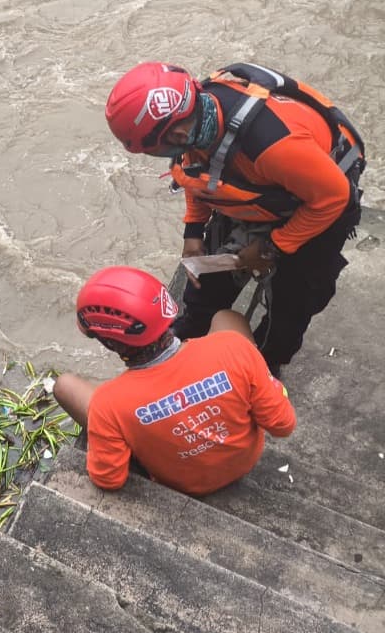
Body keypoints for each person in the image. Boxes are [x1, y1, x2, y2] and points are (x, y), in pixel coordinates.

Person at [104, 62, 366, 377]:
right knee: (208, 276)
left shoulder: (273, 146)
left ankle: (269, 359)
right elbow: (193, 171)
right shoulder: (197, 119)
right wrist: (194, 231)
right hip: (261, 188)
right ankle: (192, 330)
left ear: (177, 133)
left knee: (293, 298)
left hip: (317, 198)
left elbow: (334, 198)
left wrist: (272, 247)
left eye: (153, 151)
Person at [52, 266, 296, 496]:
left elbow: (109, 479)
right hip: (242, 462)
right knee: (228, 318)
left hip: (183, 482)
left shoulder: (109, 404)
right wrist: (255, 383)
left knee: (64, 385)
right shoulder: (234, 348)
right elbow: (283, 425)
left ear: (109, 342)